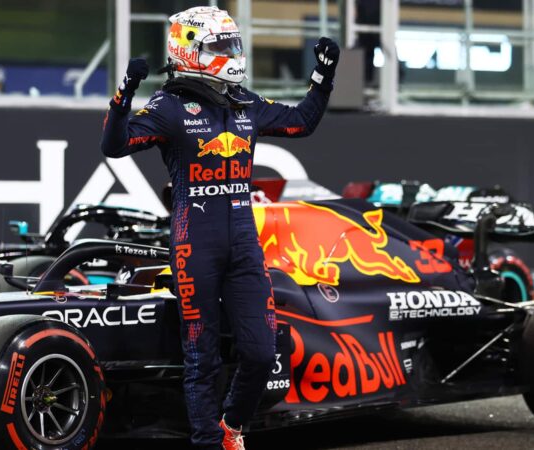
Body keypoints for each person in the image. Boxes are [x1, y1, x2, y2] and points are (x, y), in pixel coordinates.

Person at [100, 6, 338, 449]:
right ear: (188, 50)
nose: (233, 53)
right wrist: (123, 94)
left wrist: (324, 76)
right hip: (195, 246)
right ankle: (209, 443)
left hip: (245, 245)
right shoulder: (169, 107)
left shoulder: (245, 102)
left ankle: (232, 425)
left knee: (262, 352)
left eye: (233, 44)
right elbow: (113, 145)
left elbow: (302, 121)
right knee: (201, 358)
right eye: (221, 46)